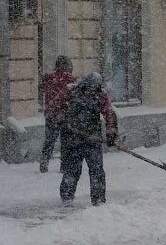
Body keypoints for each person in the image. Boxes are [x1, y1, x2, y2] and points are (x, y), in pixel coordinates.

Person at [59, 72, 118, 206]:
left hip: (92, 139)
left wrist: (111, 132)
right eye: (91, 87)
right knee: (72, 170)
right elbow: (57, 107)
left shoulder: (101, 95)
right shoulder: (72, 92)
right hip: (73, 139)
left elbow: (109, 113)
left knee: (97, 170)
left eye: (95, 88)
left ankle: (98, 200)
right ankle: (67, 198)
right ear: (85, 84)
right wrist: (61, 119)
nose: (92, 90)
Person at [39, 56, 76, 173]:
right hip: (64, 115)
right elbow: (72, 97)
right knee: (65, 141)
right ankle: (64, 166)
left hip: (50, 114)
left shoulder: (48, 78)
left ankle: (44, 163)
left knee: (49, 140)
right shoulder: (69, 78)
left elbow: (42, 90)